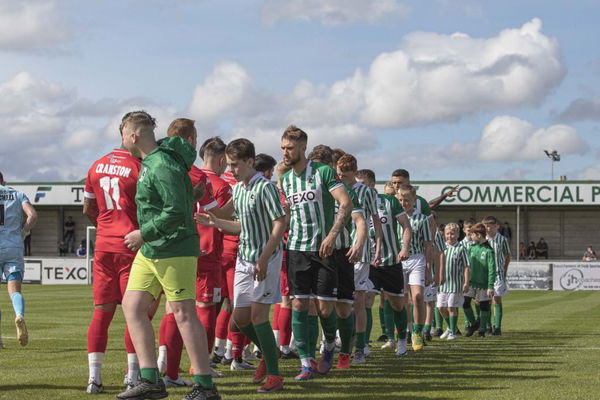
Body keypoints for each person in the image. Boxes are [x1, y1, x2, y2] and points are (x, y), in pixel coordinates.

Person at [117, 111, 221, 400]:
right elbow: (177, 199)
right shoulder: (154, 161)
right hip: (154, 249)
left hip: (173, 247)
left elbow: (176, 212)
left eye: (123, 133)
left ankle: (205, 386)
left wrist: (142, 233)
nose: (122, 139)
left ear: (133, 136)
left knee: (183, 313)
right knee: (133, 306)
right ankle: (150, 380)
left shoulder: (161, 163)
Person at [196, 138, 287, 393]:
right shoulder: (238, 189)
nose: (231, 170)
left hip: (264, 259)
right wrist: (214, 222)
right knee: (239, 319)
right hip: (244, 259)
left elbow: (280, 223)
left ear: (250, 162)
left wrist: (264, 258)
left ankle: (275, 376)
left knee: (258, 318)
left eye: (235, 165)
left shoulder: (265, 188)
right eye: (229, 165)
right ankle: (270, 357)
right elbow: (239, 226)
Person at [279, 125, 353, 380]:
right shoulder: (286, 179)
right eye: (283, 148)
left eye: (289, 148)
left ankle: (330, 346)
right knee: (299, 303)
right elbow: (286, 217)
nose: (285, 153)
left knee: (324, 309)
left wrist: (332, 235)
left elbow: (346, 202)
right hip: (296, 249)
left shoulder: (322, 172)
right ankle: (305, 362)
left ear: (302, 148)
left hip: (323, 250)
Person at [82, 125, 142, 394]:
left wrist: (105, 226)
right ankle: (132, 375)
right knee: (134, 314)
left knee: (102, 312)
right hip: (130, 245)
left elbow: (87, 208)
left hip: (104, 246)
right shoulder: (138, 167)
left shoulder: (96, 165)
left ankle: (94, 377)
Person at [335, 154, 382, 365]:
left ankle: (361, 347)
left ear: (354, 172)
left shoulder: (365, 192)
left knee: (358, 300)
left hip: (361, 249)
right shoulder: (336, 189)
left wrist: (378, 246)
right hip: (340, 248)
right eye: (339, 174)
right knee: (340, 300)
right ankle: (342, 341)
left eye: (345, 175)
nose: (342, 178)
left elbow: (374, 221)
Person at [363, 176, 411, 356]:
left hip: (390, 260)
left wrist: (404, 247)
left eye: (363, 183)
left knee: (397, 304)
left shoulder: (390, 201)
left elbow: (406, 225)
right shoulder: (353, 202)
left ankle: (401, 340)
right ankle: (363, 344)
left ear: (371, 184)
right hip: (368, 262)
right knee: (366, 300)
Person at [0, 171, 38, 349]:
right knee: (14, 289)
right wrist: (23, 232)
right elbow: (32, 215)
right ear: (3, 181)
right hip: (13, 245)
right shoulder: (17, 194)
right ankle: (19, 315)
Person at [395, 184, 432, 351]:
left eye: (407, 200)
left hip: (417, 259)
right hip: (398, 261)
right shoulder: (394, 218)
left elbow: (428, 244)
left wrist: (429, 267)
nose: (404, 203)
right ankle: (405, 332)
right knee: (401, 300)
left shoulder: (421, 219)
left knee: (417, 297)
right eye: (401, 200)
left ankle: (418, 332)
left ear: (414, 200)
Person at [437, 223, 469, 341]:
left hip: (455, 284)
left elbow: (466, 266)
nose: (450, 236)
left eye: (452, 233)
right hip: (442, 284)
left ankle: (453, 333)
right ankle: (451, 328)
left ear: (457, 234)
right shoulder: (441, 248)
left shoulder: (461, 248)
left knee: (451, 307)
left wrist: (466, 282)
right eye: (448, 234)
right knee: (440, 307)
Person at [465, 223, 496, 337]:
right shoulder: (471, 248)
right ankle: (474, 324)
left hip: (483, 283)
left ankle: (482, 330)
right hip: (471, 282)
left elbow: (492, 269)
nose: (470, 237)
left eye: (472, 234)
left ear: (478, 235)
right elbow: (466, 266)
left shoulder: (488, 250)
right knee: (465, 303)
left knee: (484, 306)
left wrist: (490, 286)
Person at [483, 216, 511, 336]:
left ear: (496, 226)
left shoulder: (502, 239)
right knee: (485, 301)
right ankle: (488, 326)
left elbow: (508, 255)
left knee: (496, 299)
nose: (487, 228)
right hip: (484, 274)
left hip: (498, 274)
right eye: (485, 226)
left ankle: (497, 327)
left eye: (489, 225)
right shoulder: (482, 240)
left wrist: (504, 270)